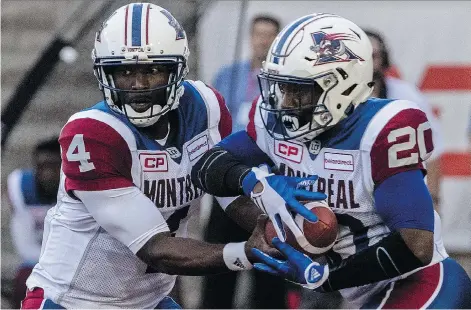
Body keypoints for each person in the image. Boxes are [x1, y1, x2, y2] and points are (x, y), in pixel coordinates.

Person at [20, 4, 305, 309]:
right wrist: (245, 253)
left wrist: (276, 228)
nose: (138, 85)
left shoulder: (205, 107)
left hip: (148, 300)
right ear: (105, 72)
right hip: (73, 300)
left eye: (153, 69)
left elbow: (228, 196)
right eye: (125, 70)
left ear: (177, 70)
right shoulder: (91, 134)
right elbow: (155, 248)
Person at [191, 13, 471, 308]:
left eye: (298, 90)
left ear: (341, 86)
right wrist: (255, 183)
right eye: (281, 87)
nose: (284, 101)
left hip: (420, 283)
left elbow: (417, 245)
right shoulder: (274, 122)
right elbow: (208, 165)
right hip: (363, 293)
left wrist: (326, 279)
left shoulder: (381, 129)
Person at [202, 15, 288, 309]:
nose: (263, 41)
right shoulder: (229, 75)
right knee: (219, 263)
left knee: (270, 268)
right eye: (258, 34)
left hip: (269, 182)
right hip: (229, 181)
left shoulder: (285, 81)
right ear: (250, 37)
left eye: (269, 36)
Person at [365, 29, 445, 208]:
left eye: (374, 56)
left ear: (384, 59)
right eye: (362, 57)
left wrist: (434, 202)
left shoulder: (406, 95)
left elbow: (433, 150)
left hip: (400, 194)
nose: (368, 64)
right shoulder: (339, 98)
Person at [7, 137, 61, 309]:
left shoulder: (80, 187)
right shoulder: (21, 185)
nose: (48, 173)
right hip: (37, 258)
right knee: (26, 282)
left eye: (54, 166)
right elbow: (24, 243)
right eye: (42, 166)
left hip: (72, 261)